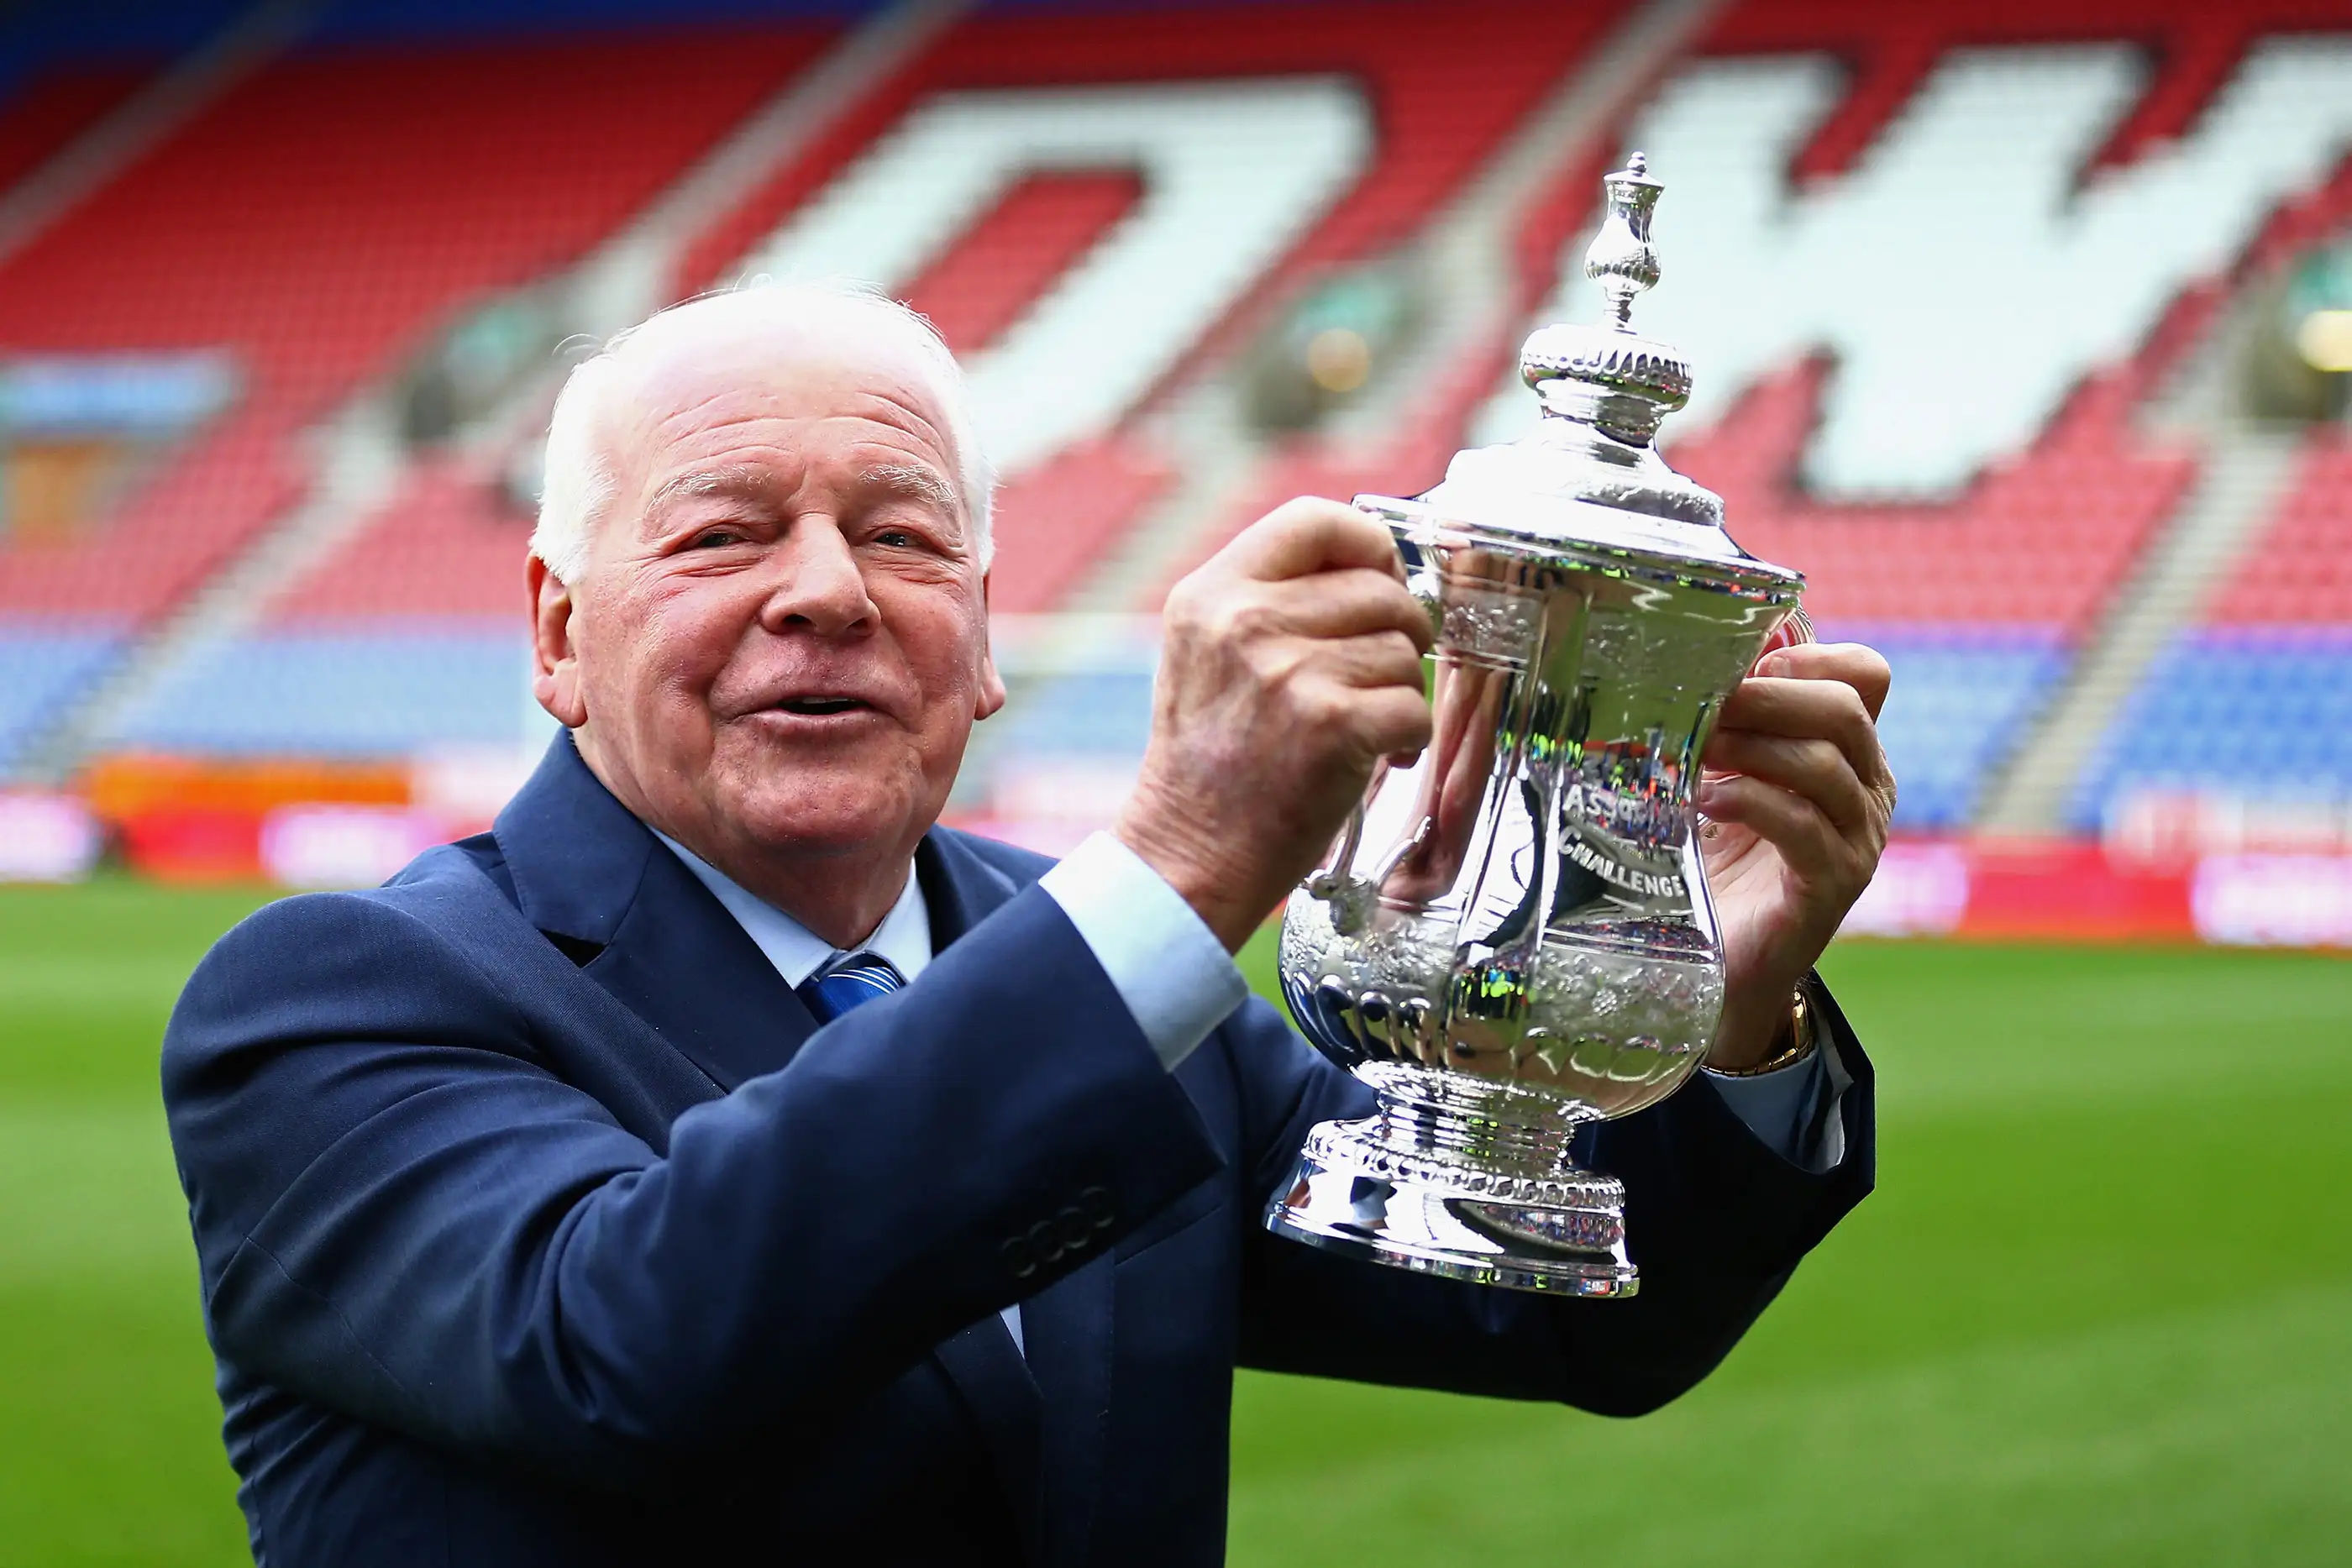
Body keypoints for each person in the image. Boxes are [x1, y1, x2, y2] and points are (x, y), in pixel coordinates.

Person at [163, 283, 1894, 1566]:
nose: (827, 590)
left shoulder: (1115, 989)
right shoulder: (340, 999)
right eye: (721, 534)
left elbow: (1564, 1314)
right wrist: (1181, 865)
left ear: (981, 641)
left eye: (902, 537)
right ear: (555, 634)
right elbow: (625, 1341)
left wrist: (1724, 1011)